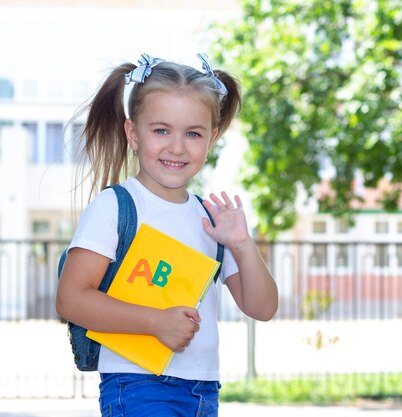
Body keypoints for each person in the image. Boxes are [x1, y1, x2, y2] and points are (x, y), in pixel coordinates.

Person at [56, 52, 279, 417]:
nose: (177, 147)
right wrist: (156, 323)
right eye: (161, 130)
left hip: (204, 389)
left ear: (213, 138)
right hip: (136, 384)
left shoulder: (212, 219)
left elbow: (262, 307)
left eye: (193, 133)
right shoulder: (115, 207)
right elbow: (71, 300)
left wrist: (242, 243)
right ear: (133, 133)